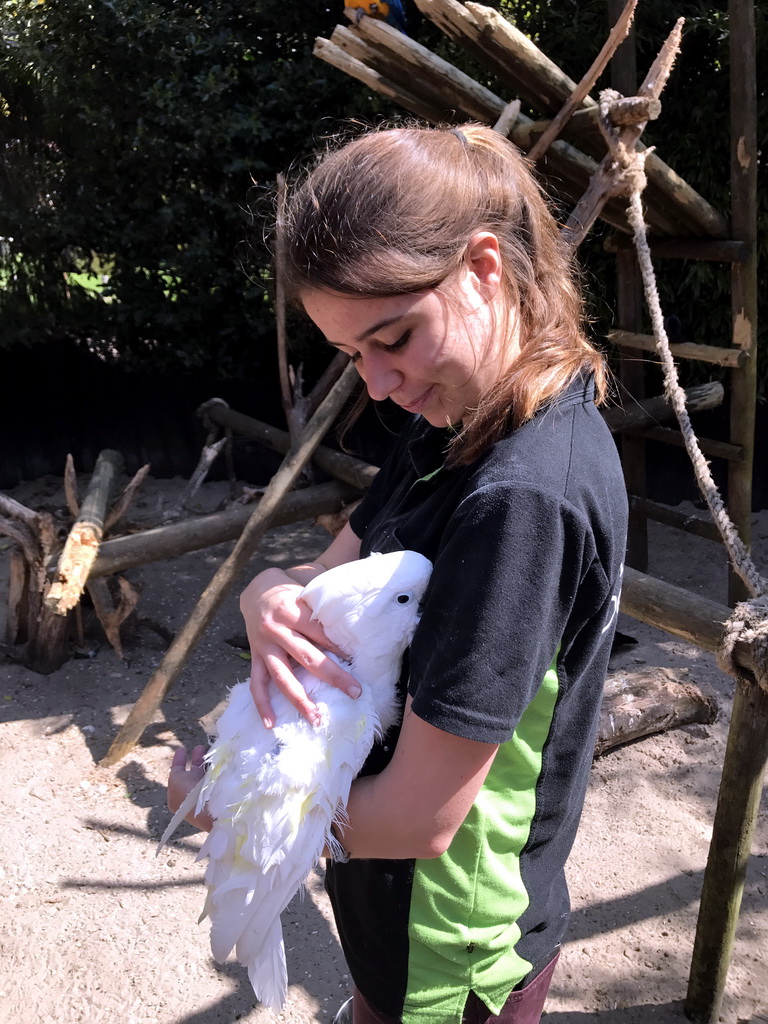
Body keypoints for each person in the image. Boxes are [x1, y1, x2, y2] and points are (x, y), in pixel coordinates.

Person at [168, 122, 628, 1024]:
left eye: (395, 338)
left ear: (485, 266)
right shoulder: (460, 420)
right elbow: (323, 569)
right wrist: (267, 595)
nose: (377, 385)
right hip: (398, 919)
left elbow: (420, 819)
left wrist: (230, 807)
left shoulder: (521, 500)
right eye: (354, 356)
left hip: (450, 940)